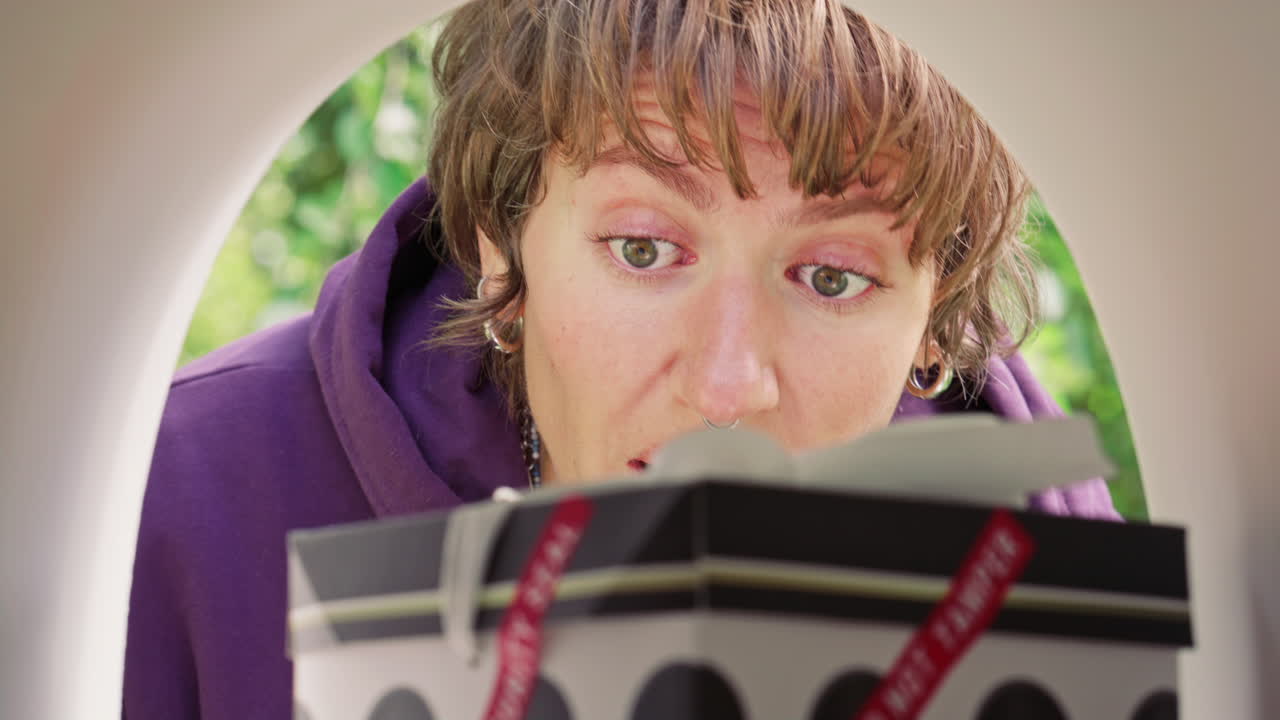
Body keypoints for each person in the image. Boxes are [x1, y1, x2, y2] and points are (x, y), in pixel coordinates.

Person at [123, 0, 1120, 716]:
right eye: (643, 251)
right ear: (499, 242)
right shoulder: (189, 495)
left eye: (830, 278)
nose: (726, 387)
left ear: (934, 315)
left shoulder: (1038, 557)